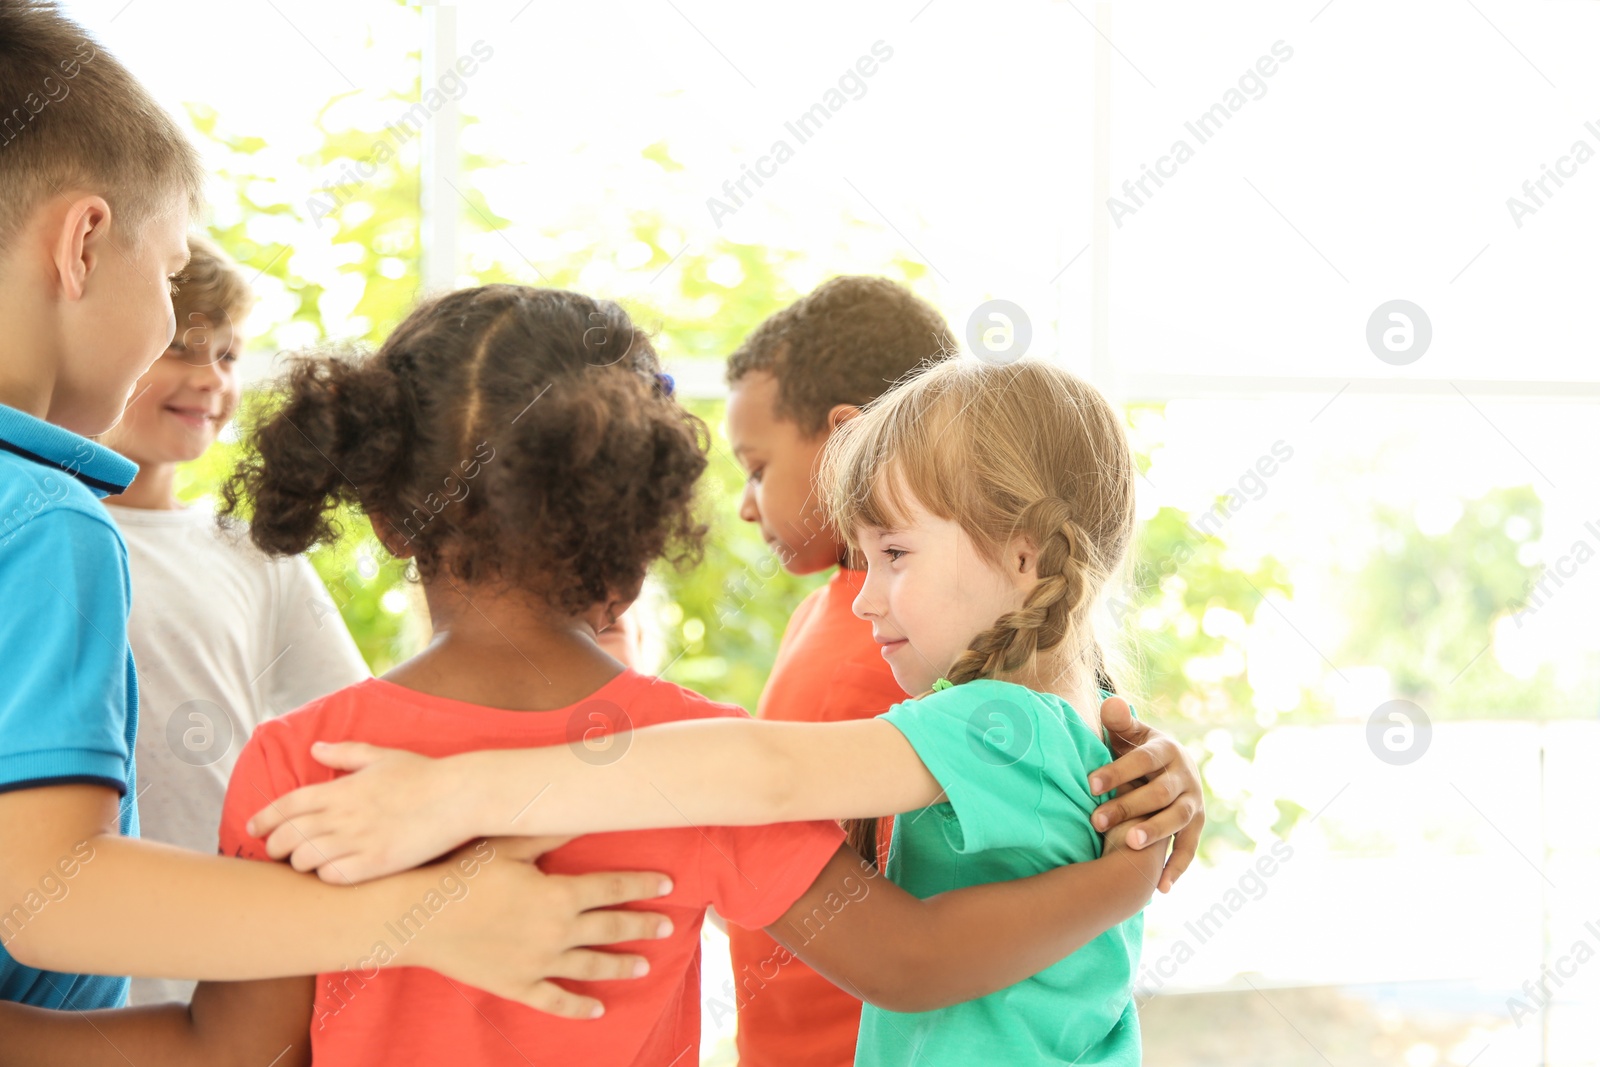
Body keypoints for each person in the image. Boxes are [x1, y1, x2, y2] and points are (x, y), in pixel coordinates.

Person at [96, 283, 1160, 1066]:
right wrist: (1129, 864)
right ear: (637, 511)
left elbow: (223, 1048)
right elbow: (901, 955)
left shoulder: (307, 761)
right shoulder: (696, 762)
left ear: (382, 508)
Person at [0, 0, 671, 1044]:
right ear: (83, 243)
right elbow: (48, 890)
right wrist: (418, 919)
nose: (179, 327)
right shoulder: (47, 518)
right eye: (174, 275)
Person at [719, 275, 1204, 1064]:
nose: (745, 502)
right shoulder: (994, 668)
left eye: (754, 464)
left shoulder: (946, 678)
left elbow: (775, 789)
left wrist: (648, 776)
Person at [95, 234, 371, 1005]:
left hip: (223, 973)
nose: (211, 380)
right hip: (67, 969)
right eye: (184, 350)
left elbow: (353, 733)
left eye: (229, 355)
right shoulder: (41, 536)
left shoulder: (258, 553)